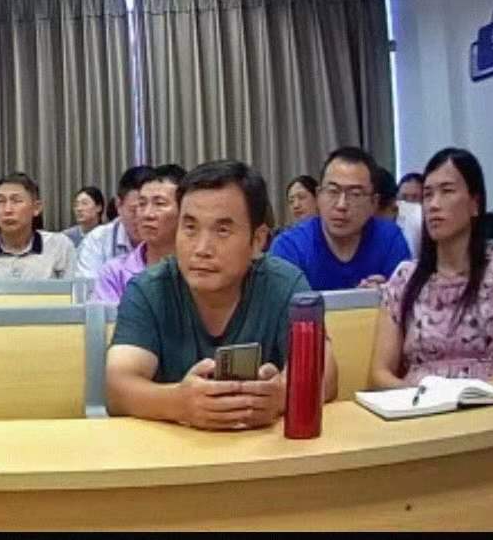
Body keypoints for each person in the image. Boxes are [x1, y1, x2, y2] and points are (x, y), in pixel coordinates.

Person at [106, 160, 338, 430]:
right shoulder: (149, 289)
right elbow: (116, 385)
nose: (201, 249)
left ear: (258, 240)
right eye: (190, 228)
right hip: (174, 447)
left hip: (262, 448)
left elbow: (326, 374)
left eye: (222, 230)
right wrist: (180, 403)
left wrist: (279, 396)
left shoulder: (283, 283)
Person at [369, 148, 493, 388]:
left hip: (490, 398)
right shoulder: (405, 277)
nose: (434, 205)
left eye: (447, 191)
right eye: (428, 195)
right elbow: (379, 373)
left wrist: (478, 391)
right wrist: (423, 397)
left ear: (475, 204)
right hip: (421, 402)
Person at [270, 147, 411, 291]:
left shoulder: (390, 239)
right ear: (318, 196)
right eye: (333, 191)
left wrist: (386, 296)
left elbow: (407, 300)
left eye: (355, 194)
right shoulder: (290, 246)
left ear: (373, 203)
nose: (341, 205)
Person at [0, 172, 76, 282]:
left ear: (36, 208)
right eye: (0, 201)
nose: (7, 210)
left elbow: (76, 296)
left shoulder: (60, 246)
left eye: (16, 201)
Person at [92, 165, 186, 305]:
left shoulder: (199, 268)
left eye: (159, 204)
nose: (147, 214)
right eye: (141, 204)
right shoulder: (114, 273)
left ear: (185, 210)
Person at [77, 166, 155, 279]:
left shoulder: (168, 237)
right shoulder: (97, 240)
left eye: (153, 208)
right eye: (134, 210)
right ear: (118, 205)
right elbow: (89, 287)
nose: (143, 217)